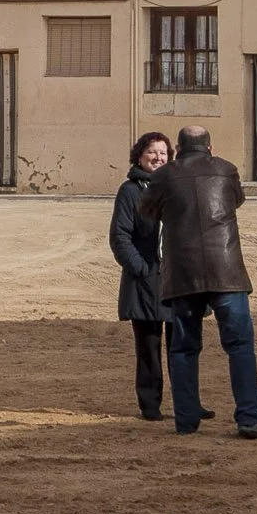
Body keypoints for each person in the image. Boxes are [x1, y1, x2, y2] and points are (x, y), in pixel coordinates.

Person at [140, 125, 257, 439]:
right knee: (240, 346)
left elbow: (147, 210)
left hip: (184, 272)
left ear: (177, 148)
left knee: (184, 348)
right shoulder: (226, 170)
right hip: (226, 271)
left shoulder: (163, 177)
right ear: (210, 147)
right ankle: (249, 417)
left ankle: (186, 421)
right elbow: (235, 201)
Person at [108, 131, 190, 422]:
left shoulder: (177, 187)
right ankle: (150, 405)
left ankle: (187, 403)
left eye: (163, 153)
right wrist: (141, 269)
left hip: (175, 278)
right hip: (145, 278)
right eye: (152, 153)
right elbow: (120, 237)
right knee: (149, 348)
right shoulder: (130, 191)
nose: (158, 158)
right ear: (140, 157)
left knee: (180, 346)